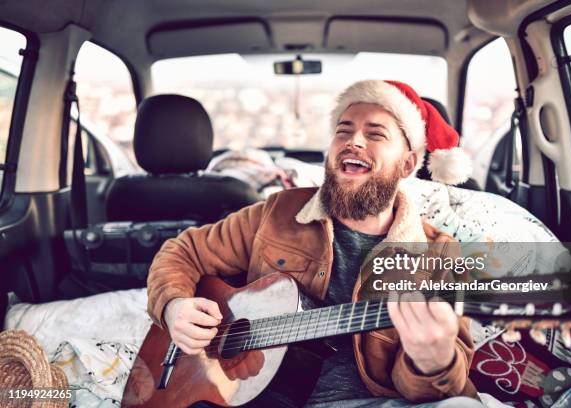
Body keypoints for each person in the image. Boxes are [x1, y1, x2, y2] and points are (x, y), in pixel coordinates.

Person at [147, 80, 482, 407]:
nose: (354, 141)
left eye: (375, 133)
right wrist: (173, 305)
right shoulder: (278, 211)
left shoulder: (437, 255)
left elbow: (441, 385)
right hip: (249, 392)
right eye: (343, 130)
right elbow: (183, 251)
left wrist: (432, 362)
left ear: (407, 164)